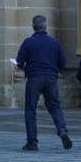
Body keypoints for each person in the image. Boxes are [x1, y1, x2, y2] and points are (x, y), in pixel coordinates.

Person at [15, 15, 72, 151]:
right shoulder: (55, 42)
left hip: (34, 77)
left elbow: (19, 61)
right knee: (54, 106)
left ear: (33, 27)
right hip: (51, 77)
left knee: (30, 109)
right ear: (46, 27)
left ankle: (32, 142)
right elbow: (63, 63)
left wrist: (25, 67)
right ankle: (62, 129)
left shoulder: (28, 42)